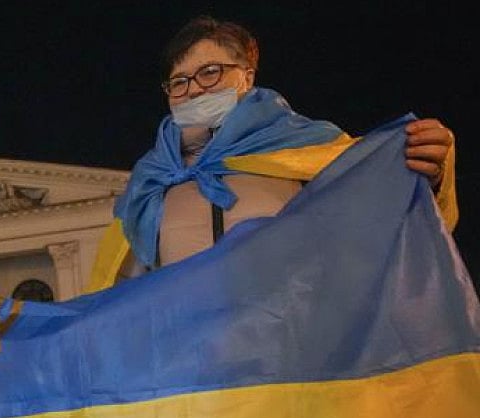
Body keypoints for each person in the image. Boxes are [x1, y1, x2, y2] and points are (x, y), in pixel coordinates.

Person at [86, 15, 458, 289]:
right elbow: (120, 292)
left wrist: (429, 173)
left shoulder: (307, 151)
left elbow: (389, 223)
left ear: (246, 75)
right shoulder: (149, 184)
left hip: (288, 357)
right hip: (190, 368)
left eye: (210, 72)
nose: (194, 90)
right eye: (179, 82)